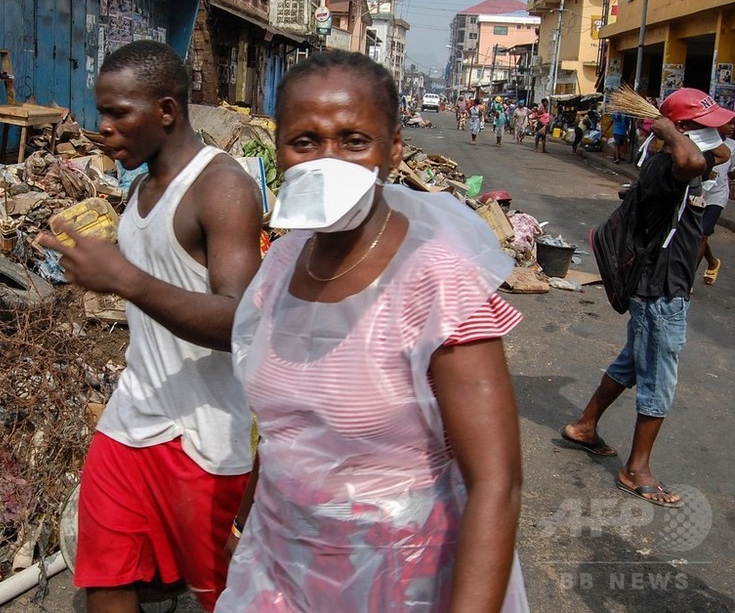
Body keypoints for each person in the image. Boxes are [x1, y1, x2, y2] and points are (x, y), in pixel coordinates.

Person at [216, 51, 527, 612]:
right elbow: (288, 428)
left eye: (354, 140)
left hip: (401, 579)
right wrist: (240, 531)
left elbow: (496, 483)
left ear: (394, 150)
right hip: (281, 568)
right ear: (278, 147)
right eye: (304, 141)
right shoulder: (281, 266)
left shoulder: (438, 280)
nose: (327, 160)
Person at [37, 40, 263, 611]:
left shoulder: (223, 187)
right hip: (132, 416)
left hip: (203, 435)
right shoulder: (138, 190)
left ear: (166, 110)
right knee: (105, 576)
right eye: (101, 112)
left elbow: (243, 320)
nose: (102, 128)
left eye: (118, 113)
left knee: (217, 592)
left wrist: (124, 280)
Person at [561, 88, 735, 508]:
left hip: (665, 287)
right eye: (706, 124)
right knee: (658, 376)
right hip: (659, 289)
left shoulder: (689, 158)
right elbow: (696, 158)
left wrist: (682, 134)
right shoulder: (667, 167)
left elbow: (722, 153)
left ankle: (585, 426)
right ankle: (636, 469)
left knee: (632, 362)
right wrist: (668, 131)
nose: (718, 131)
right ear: (684, 131)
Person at [698, 118, 735, 284]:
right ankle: (713, 262)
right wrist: (705, 171)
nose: (732, 127)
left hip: (717, 195)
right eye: (729, 123)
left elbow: (732, 173)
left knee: (702, 234)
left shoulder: (733, 146)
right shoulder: (701, 140)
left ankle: (686, 280)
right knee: (695, 232)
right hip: (698, 191)